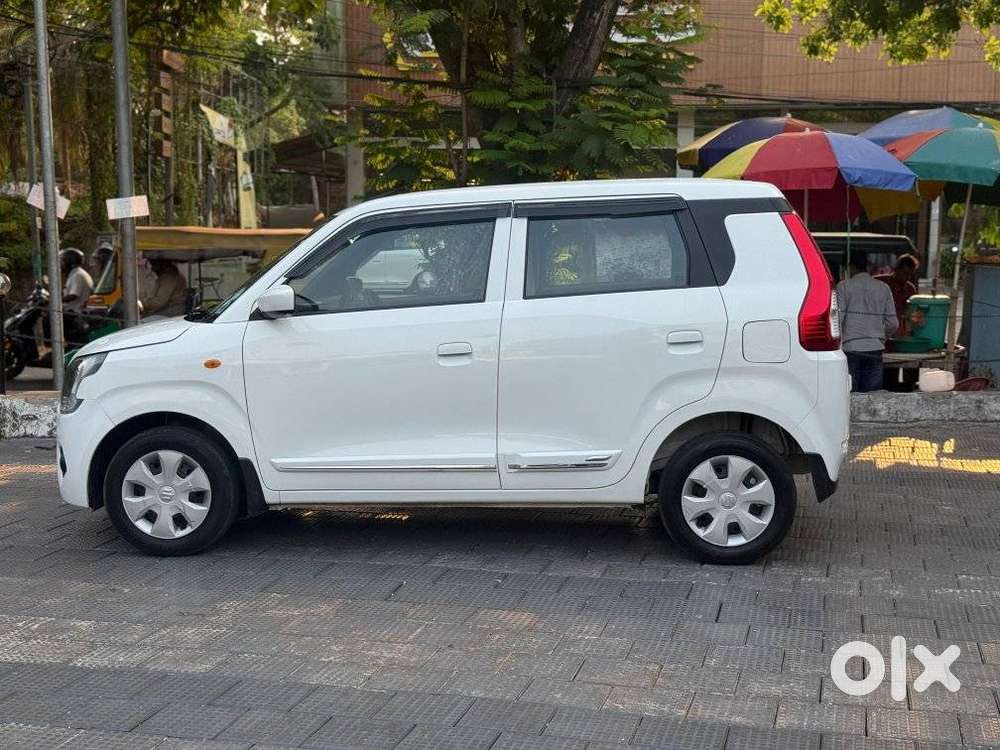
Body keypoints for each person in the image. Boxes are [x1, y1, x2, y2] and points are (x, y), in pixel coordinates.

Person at [837, 250, 898, 393]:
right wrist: (881, 337)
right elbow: (893, 323)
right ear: (868, 266)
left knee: (850, 396)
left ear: (850, 267)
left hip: (851, 348)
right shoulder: (883, 288)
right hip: (875, 349)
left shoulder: (844, 286)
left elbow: (838, 320)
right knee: (872, 398)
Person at [874, 253, 919, 336]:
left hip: (899, 332)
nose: (908, 277)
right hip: (878, 329)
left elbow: (912, 313)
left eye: (910, 274)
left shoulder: (910, 289)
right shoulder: (879, 281)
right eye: (905, 273)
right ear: (896, 269)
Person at [60, 248, 93, 346]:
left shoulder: (78, 275)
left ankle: (57, 346)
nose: (62, 264)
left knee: (51, 317)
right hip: (75, 311)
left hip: (76, 312)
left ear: (70, 262)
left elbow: (73, 295)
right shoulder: (75, 273)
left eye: (63, 261)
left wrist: (55, 300)